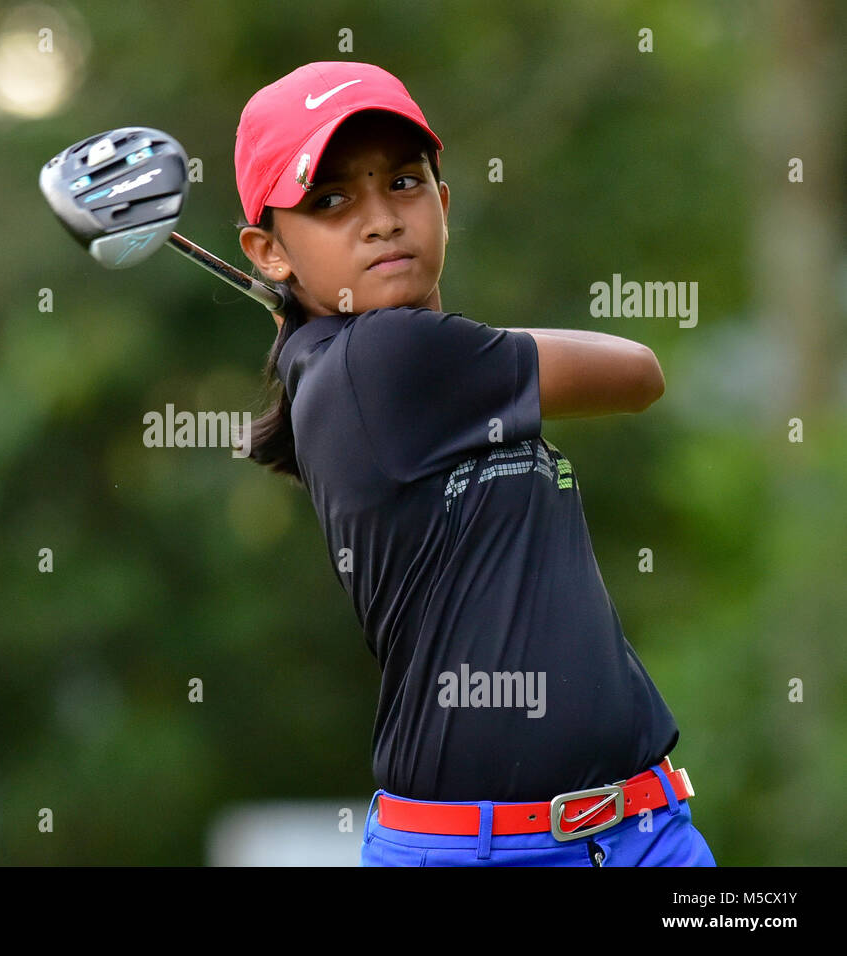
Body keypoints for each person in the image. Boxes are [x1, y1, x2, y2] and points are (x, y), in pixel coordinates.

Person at [232, 61, 717, 866]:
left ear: (444, 205)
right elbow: (639, 372)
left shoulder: (349, 365)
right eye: (330, 201)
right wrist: (472, 341)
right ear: (269, 251)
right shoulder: (388, 358)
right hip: (483, 854)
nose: (382, 219)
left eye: (404, 182)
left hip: (644, 831)